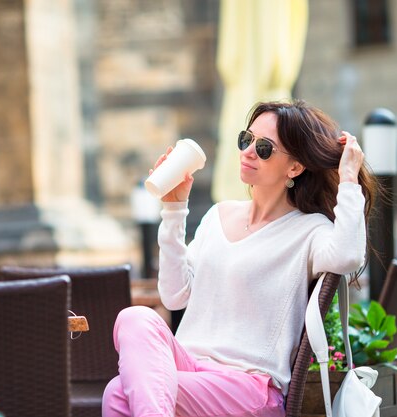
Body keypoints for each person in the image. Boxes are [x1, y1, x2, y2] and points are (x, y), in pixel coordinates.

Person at [102, 100, 377, 417]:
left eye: (264, 148)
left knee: (117, 393)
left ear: (295, 167)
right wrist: (174, 209)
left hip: (251, 387)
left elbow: (347, 256)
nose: (248, 151)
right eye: (246, 140)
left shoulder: (309, 230)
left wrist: (348, 180)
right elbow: (175, 295)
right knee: (135, 318)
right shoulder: (219, 215)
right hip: (192, 369)